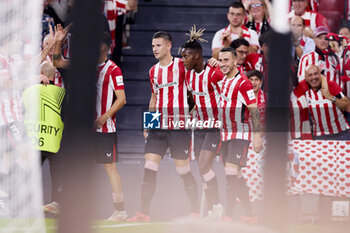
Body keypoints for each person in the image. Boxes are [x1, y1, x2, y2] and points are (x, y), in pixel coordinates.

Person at [127, 31, 199, 222]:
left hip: (178, 127)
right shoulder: (153, 71)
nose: (154, 49)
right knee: (149, 167)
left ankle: (195, 210)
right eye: (152, 46)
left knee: (183, 171)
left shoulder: (182, 65)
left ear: (168, 46)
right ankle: (144, 212)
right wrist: (148, 123)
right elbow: (153, 97)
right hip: (158, 128)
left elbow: (198, 80)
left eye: (158, 45)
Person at [180, 27, 224, 219]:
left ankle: (217, 205)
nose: (183, 60)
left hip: (215, 127)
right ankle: (212, 208)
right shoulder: (187, 74)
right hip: (197, 127)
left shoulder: (214, 73)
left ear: (197, 56)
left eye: (186, 56)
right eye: (181, 56)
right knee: (201, 168)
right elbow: (190, 98)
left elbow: (231, 88)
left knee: (205, 166)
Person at [218, 47, 263, 222]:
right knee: (235, 176)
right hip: (225, 136)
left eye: (226, 60)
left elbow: (254, 111)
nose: (223, 64)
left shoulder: (243, 83)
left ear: (235, 61)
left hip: (240, 135)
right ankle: (250, 214)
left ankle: (227, 214)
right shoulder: (223, 80)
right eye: (221, 60)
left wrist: (257, 136)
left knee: (230, 172)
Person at [22, 62, 65, 215]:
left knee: (30, 175)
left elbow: (21, 113)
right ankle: (56, 204)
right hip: (54, 141)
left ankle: (26, 205)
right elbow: (66, 118)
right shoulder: (61, 93)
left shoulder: (28, 92)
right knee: (57, 176)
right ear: (54, 75)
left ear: (40, 72)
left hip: (33, 141)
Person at [95, 32, 128, 221]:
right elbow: (58, 63)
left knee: (110, 167)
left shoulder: (113, 69)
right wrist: (56, 44)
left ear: (103, 47)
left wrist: (104, 117)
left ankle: (120, 210)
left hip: (105, 129)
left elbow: (122, 99)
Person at [294, 64, 350, 140]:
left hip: (342, 133)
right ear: (306, 79)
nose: (314, 77)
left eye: (316, 74)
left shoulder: (331, 85)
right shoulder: (304, 92)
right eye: (310, 75)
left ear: (320, 74)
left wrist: (330, 97)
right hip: (320, 136)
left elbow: (348, 107)